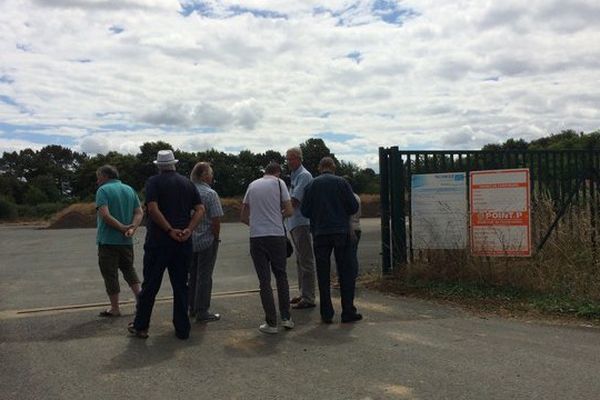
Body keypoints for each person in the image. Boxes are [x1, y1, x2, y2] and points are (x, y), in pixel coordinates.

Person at [128, 150, 205, 340]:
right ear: (174, 164)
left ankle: (141, 326)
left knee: (151, 285)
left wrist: (169, 230)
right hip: (183, 242)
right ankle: (182, 329)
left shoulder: (154, 182)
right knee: (181, 286)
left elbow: (152, 208)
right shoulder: (188, 183)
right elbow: (200, 209)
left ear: (159, 166)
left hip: (159, 242)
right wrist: (188, 229)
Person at [301, 157, 361, 324]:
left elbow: (304, 210)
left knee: (323, 273)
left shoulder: (311, 185)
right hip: (341, 232)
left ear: (320, 168)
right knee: (345, 272)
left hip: (320, 232)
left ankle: (326, 313)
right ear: (334, 167)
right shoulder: (341, 183)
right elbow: (353, 206)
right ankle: (348, 311)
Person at [241, 162, 294, 334]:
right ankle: (286, 318)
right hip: (276, 235)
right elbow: (289, 210)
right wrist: (278, 217)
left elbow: (243, 216)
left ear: (265, 172)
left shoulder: (252, 185)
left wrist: (256, 224)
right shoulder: (280, 184)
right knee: (281, 276)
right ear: (278, 173)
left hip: (257, 237)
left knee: (264, 281)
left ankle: (271, 323)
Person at [95, 165, 143, 317]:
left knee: (110, 275)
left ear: (105, 176)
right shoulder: (129, 189)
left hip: (108, 241)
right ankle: (141, 302)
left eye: (99, 176)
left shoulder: (102, 191)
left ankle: (115, 308)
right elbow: (139, 212)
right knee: (129, 270)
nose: (97, 180)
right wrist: (132, 228)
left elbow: (105, 214)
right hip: (126, 241)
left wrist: (121, 227)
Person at [189, 162, 224, 323]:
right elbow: (216, 220)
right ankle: (202, 310)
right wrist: (216, 238)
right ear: (204, 175)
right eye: (210, 173)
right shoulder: (210, 194)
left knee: (192, 275)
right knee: (205, 276)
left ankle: (191, 307)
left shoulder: (187, 190)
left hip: (189, 240)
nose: (212, 176)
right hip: (206, 240)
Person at [285, 147, 316, 309]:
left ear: (299, 158)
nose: (288, 162)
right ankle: (303, 292)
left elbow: (295, 200)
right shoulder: (295, 175)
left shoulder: (304, 175)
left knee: (306, 260)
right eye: (287, 159)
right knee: (299, 260)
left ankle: (309, 297)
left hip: (301, 222)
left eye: (291, 159)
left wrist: (280, 211)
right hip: (294, 222)